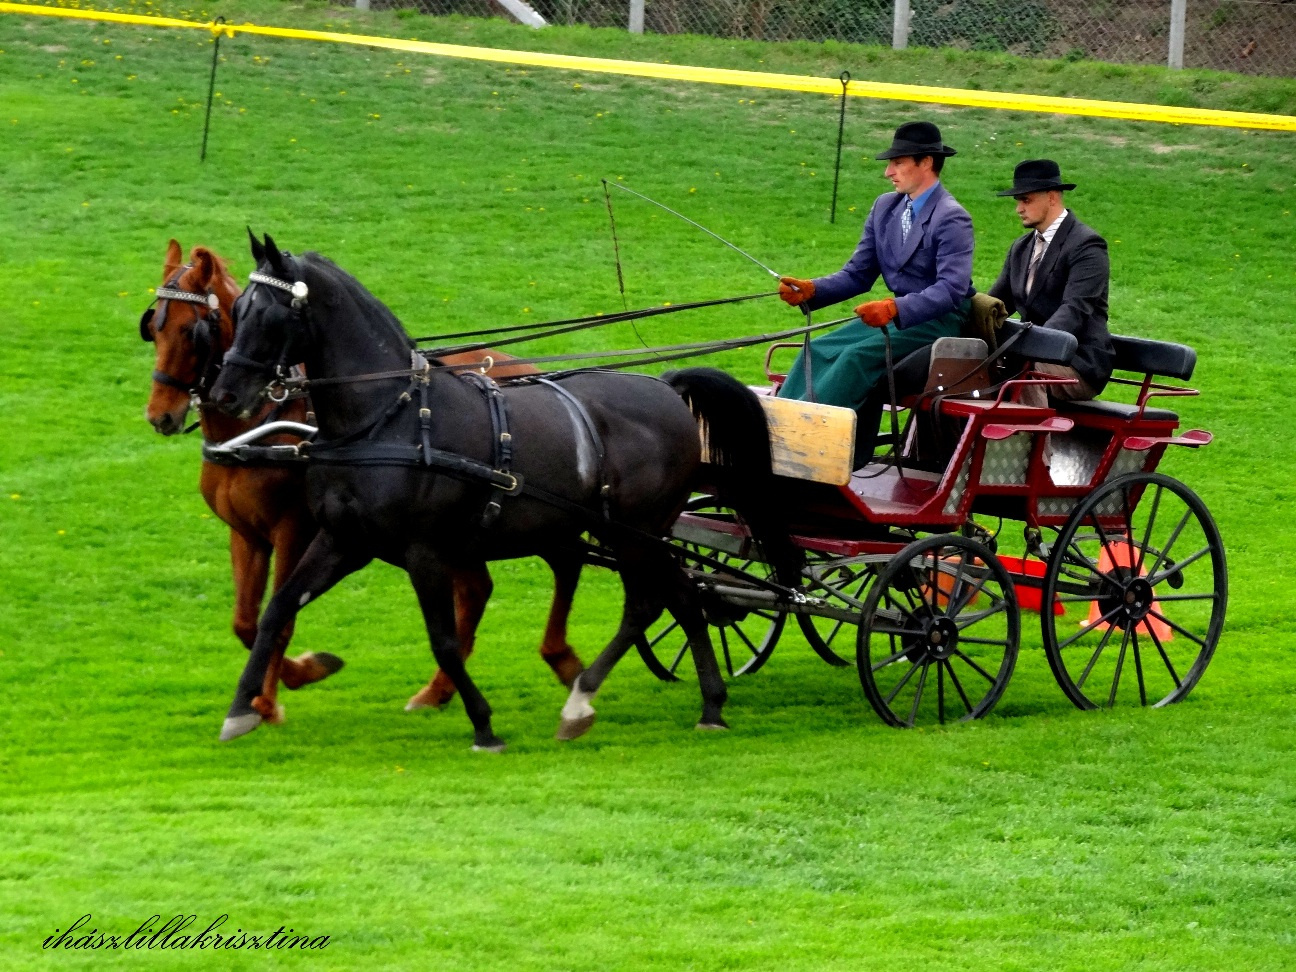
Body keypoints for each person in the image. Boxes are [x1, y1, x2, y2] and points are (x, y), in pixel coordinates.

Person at [776, 120, 975, 465]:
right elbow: (858, 274)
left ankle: (816, 450)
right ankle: (780, 433)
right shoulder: (885, 207)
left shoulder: (951, 218)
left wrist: (896, 309)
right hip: (895, 316)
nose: (888, 172)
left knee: (854, 358)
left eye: (898, 163)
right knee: (819, 347)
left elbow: (951, 289)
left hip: (936, 321)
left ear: (926, 163)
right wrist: (812, 290)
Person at [987, 159, 1114, 406]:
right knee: (963, 364)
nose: (1019, 208)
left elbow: (1074, 310)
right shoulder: (1021, 248)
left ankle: (1025, 445)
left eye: (1026, 200)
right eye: (1018, 201)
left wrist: (1032, 346)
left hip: (1077, 363)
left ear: (1052, 197)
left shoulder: (1087, 246)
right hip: (1030, 356)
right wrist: (965, 319)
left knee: (1024, 375)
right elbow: (997, 303)